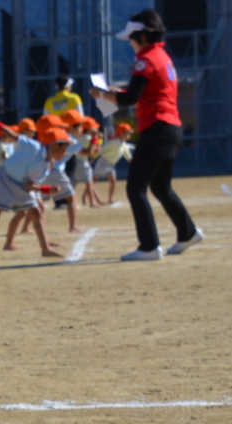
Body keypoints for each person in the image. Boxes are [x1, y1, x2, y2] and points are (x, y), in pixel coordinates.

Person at [90, 9, 203, 260]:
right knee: (161, 187)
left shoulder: (145, 60)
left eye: (131, 38)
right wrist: (111, 91)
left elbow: (130, 98)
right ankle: (188, 232)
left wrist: (102, 95)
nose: (129, 44)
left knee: (135, 188)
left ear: (141, 36)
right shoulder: (161, 56)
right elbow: (143, 91)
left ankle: (149, 246)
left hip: (157, 127)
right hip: (172, 127)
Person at [0, 127, 69, 261]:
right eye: (64, 148)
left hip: (22, 184)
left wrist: (47, 189)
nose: (66, 152)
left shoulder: (47, 165)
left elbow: (29, 185)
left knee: (35, 213)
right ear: (54, 145)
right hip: (4, 177)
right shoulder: (35, 146)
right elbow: (15, 136)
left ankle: (45, 249)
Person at [92, 122, 135, 204]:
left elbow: (129, 158)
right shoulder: (114, 142)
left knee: (113, 181)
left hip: (111, 164)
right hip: (103, 162)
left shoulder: (124, 145)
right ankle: (94, 199)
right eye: (128, 133)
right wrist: (94, 157)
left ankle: (110, 199)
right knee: (92, 182)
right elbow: (102, 149)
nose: (129, 135)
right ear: (121, 133)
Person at [76, 118, 105, 208]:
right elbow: (93, 152)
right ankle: (92, 203)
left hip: (78, 161)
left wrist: (97, 140)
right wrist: (97, 139)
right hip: (81, 161)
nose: (96, 129)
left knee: (82, 183)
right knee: (89, 182)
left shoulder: (84, 137)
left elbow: (96, 151)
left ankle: (97, 201)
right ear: (88, 129)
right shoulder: (87, 138)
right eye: (94, 127)